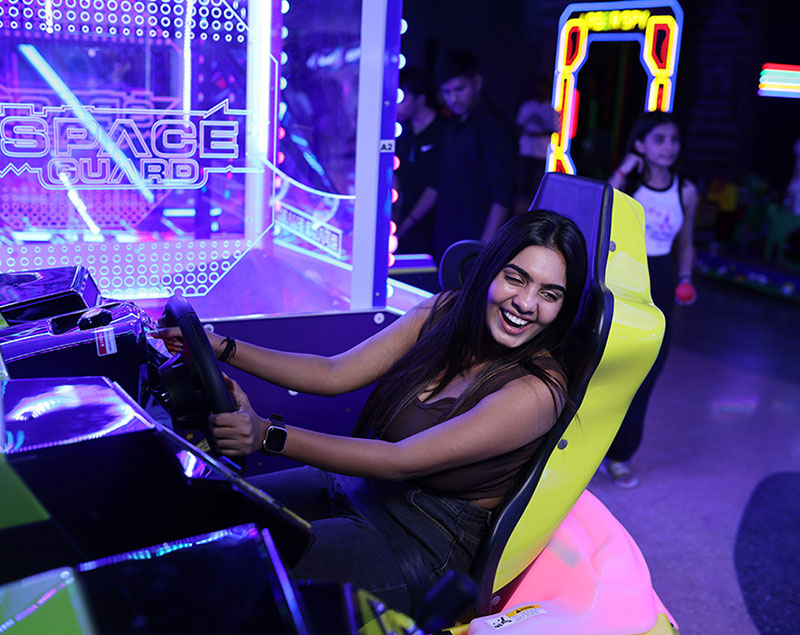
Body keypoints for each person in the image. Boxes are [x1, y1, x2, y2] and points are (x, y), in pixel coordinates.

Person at [153, 210, 588, 617]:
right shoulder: (446, 312)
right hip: (358, 488)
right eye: (516, 278)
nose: (526, 303)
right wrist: (221, 347)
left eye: (549, 294)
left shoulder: (536, 391)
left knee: (238, 569)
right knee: (206, 517)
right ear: (491, 269)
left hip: (419, 541)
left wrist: (268, 435)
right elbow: (333, 372)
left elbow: (401, 460)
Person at [604, 111, 698, 489]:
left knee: (647, 370)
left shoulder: (685, 190)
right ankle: (580, 445)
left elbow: (686, 242)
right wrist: (624, 169)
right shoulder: (628, 184)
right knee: (604, 364)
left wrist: (686, 278)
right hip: (622, 276)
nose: (668, 147)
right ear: (640, 144)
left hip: (660, 279)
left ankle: (620, 455)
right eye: (659, 139)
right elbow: (601, 208)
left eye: (673, 140)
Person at [398, 49, 517, 264]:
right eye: (447, 91)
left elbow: (503, 196)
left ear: (477, 82)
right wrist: (406, 225)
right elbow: (436, 182)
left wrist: (483, 251)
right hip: (444, 239)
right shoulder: (453, 123)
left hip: (474, 243)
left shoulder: (493, 127)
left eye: (460, 89)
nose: (453, 98)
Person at [393, 67, 447, 255]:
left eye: (402, 97)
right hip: (401, 221)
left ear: (420, 98)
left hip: (432, 226)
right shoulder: (402, 130)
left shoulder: (443, 131)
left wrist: (406, 224)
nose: (396, 104)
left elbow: (435, 186)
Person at [513, 78, 559, 215]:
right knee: (521, 186)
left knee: (535, 187)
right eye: (539, 87)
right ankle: (518, 214)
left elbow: (554, 130)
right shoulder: (527, 106)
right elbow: (518, 127)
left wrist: (535, 133)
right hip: (525, 151)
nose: (541, 90)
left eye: (544, 87)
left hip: (540, 154)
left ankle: (530, 214)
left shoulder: (550, 111)